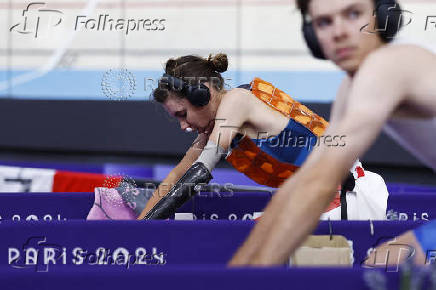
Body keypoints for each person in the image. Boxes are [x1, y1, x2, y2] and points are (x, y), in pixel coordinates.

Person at [229, 0, 436, 266]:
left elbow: (320, 184)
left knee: (384, 266)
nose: (338, 32)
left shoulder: (387, 65)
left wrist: (246, 276)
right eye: (324, 22)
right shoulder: (350, 89)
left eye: (352, 14)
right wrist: (238, 270)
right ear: (312, 36)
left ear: (382, 17)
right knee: (381, 264)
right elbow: (302, 185)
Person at [87, 53, 388, 221]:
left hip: (347, 196)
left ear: (203, 93)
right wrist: (135, 231)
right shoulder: (220, 125)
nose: (183, 126)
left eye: (182, 114)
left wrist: (147, 227)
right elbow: (174, 180)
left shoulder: (237, 102)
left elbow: (200, 172)